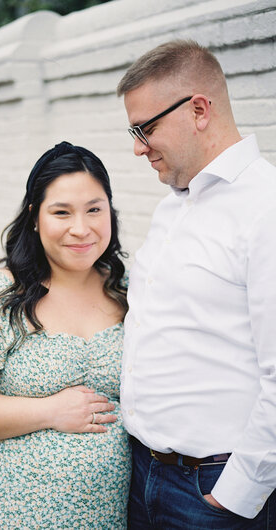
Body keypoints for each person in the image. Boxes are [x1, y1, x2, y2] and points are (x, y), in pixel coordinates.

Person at [0, 141, 131, 529]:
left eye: (94, 209)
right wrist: (50, 411)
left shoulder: (128, 293)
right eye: (61, 212)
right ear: (36, 218)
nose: (81, 228)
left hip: (107, 515)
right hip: (8, 515)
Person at [117, 39, 276, 529]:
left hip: (210, 494)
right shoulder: (173, 204)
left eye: (146, 128)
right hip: (141, 474)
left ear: (200, 110)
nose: (138, 147)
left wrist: (236, 493)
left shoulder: (265, 209)